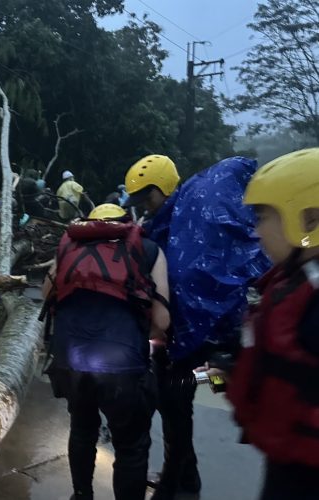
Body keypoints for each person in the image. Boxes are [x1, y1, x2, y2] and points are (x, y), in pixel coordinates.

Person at [124, 154, 270, 499]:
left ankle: (182, 485)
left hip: (197, 336)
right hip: (186, 338)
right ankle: (184, 476)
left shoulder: (198, 209)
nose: (145, 204)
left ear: (165, 188)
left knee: (176, 405)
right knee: (175, 403)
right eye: (140, 199)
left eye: (149, 195)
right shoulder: (164, 223)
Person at [193, 149, 319, 500]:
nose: (257, 230)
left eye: (264, 216)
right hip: (285, 459)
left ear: (308, 220)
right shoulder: (290, 282)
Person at [42, 203, 170, 500]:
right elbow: (162, 320)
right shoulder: (149, 249)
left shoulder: (69, 246)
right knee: (131, 446)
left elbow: (46, 297)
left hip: (71, 361)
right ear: (126, 224)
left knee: (83, 428)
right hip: (122, 367)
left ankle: (81, 494)